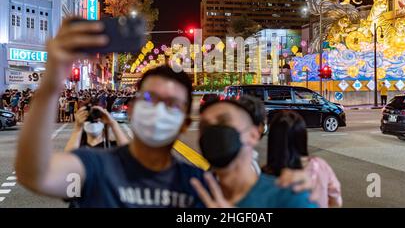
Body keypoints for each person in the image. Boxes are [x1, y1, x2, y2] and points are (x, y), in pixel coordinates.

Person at [15, 17, 206, 208]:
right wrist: (52, 80)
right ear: (131, 109)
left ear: (185, 124)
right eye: (149, 98)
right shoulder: (94, 168)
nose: (159, 109)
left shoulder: (200, 187)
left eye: (172, 104)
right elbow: (35, 175)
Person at [191, 98, 317, 208]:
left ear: (254, 134)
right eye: (204, 126)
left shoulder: (290, 197)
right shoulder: (189, 194)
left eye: (224, 122)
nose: (212, 132)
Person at [263, 111, 342, 208]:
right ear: (303, 138)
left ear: (273, 140)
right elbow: (336, 200)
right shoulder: (320, 166)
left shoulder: (264, 176)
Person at [64, 105, 129, 151]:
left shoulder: (113, 146)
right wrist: (78, 127)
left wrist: (113, 123)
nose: (93, 122)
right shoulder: (78, 146)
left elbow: (129, 156)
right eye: (88, 119)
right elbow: (68, 158)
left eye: (98, 119)